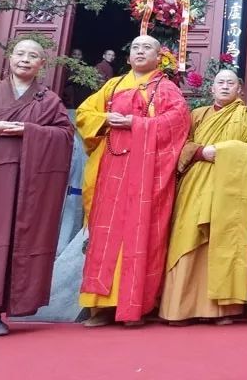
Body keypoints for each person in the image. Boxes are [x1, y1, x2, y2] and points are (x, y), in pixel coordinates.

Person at [77, 35, 190, 327]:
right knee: (104, 232)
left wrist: (135, 124)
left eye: (147, 48)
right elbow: (84, 114)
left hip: (147, 173)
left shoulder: (167, 90)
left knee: (141, 234)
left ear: (159, 57)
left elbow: (177, 124)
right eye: (136, 48)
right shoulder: (113, 86)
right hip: (111, 169)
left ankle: (134, 306)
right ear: (128, 57)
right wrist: (105, 119)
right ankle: (99, 306)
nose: (140, 52)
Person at [0, 39, 73, 338]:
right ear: (10, 58)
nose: (25, 59)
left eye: (33, 56)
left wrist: (29, 130)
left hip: (26, 185)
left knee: (9, 241)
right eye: (20, 54)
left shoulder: (48, 101)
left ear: (41, 64)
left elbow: (64, 134)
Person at [159, 69, 247, 325]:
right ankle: (181, 307)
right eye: (220, 82)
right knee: (188, 237)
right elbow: (178, 145)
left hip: (231, 189)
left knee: (223, 241)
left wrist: (223, 151)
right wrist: (202, 151)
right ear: (211, 89)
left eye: (231, 83)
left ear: (240, 90)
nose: (225, 87)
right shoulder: (197, 115)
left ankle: (221, 311)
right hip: (196, 183)